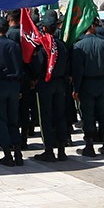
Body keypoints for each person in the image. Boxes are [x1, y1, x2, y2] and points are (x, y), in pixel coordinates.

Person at [31, 11, 71, 162]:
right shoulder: (61, 45)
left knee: (46, 117)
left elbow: (38, 66)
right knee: (60, 116)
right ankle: (61, 149)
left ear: (44, 28)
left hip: (46, 84)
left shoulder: (43, 46)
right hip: (60, 84)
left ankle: (49, 150)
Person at [71, 20, 104, 156]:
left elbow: (77, 70)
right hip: (102, 82)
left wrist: (76, 88)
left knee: (88, 115)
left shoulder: (78, 46)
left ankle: (89, 146)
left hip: (86, 84)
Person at [0, 18, 24, 166]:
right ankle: (18, 151)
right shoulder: (15, 45)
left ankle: (7, 153)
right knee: (13, 119)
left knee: (1, 120)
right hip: (14, 85)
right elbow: (20, 67)